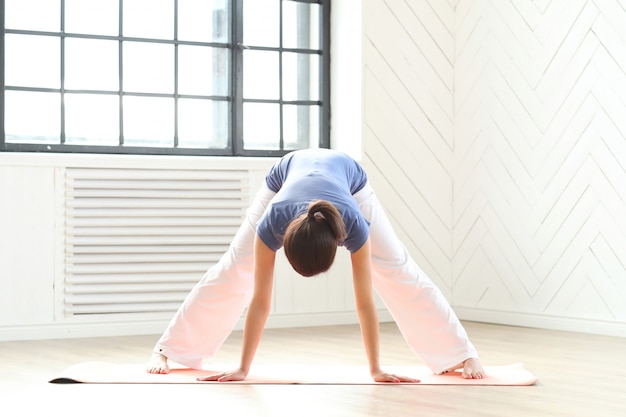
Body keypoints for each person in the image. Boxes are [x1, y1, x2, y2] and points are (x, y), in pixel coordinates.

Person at [146, 148, 485, 382]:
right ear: (283, 240)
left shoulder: (352, 223)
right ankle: (168, 349)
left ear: (338, 243)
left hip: (349, 177)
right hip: (285, 174)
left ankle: (461, 353)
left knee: (396, 266)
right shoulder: (272, 221)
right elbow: (260, 302)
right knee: (236, 265)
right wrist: (242, 369)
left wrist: (376, 369)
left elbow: (365, 303)